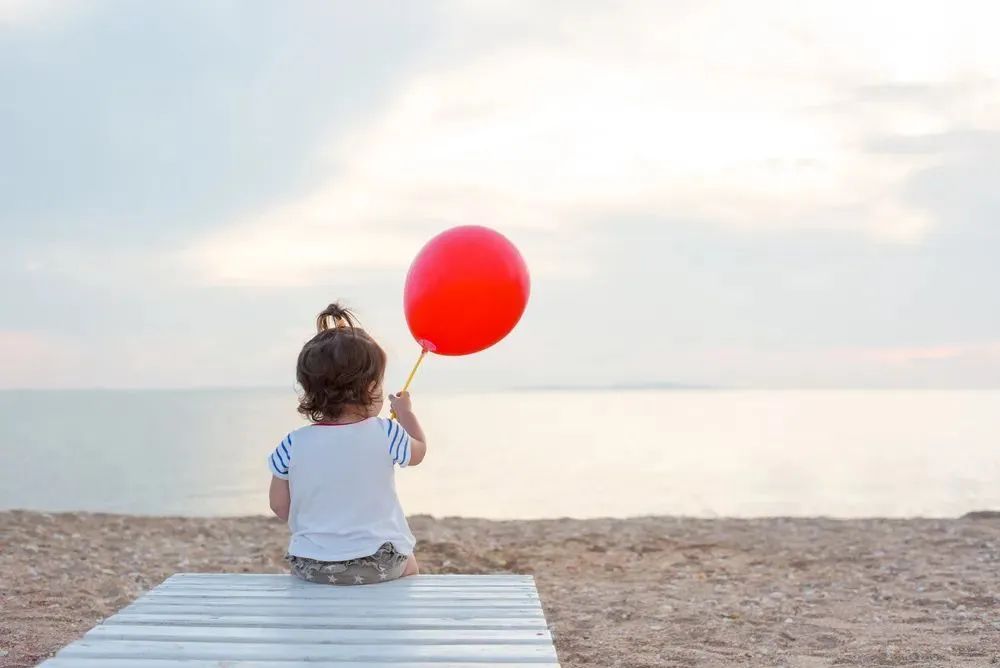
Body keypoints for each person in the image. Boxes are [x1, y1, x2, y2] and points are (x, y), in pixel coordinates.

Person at [266, 302, 427, 585]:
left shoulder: (292, 443)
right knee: (410, 565)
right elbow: (419, 452)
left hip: (309, 566)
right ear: (369, 388)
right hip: (376, 564)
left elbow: (280, 506)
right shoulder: (387, 432)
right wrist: (405, 414)